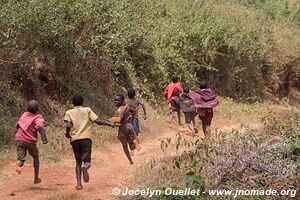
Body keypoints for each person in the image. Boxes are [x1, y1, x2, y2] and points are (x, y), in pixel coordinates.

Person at [64, 94, 114, 190]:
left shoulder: (69, 112)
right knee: (87, 161)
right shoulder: (87, 110)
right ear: (82, 102)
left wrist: (67, 133)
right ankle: (85, 167)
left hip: (75, 140)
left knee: (78, 162)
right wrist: (109, 123)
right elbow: (98, 121)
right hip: (86, 139)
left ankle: (79, 184)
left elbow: (68, 125)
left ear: (72, 103)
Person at [15, 100, 48, 184]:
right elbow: (40, 127)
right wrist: (44, 139)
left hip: (20, 139)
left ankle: (18, 165)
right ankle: (36, 178)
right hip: (30, 141)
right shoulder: (37, 117)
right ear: (37, 109)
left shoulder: (24, 114)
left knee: (21, 160)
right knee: (35, 157)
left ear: (27, 108)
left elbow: (18, 125)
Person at [108, 93, 140, 165]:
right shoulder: (126, 105)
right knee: (131, 147)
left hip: (123, 129)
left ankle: (130, 160)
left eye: (117, 100)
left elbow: (119, 119)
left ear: (122, 101)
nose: (116, 101)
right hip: (129, 126)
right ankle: (134, 142)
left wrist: (111, 120)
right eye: (115, 100)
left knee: (125, 146)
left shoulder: (120, 109)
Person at [125, 88, 147, 155]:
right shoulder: (137, 100)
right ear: (134, 94)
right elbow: (143, 104)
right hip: (134, 119)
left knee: (129, 134)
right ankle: (136, 146)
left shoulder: (126, 101)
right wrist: (145, 114)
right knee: (135, 133)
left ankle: (132, 150)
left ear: (128, 95)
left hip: (128, 119)